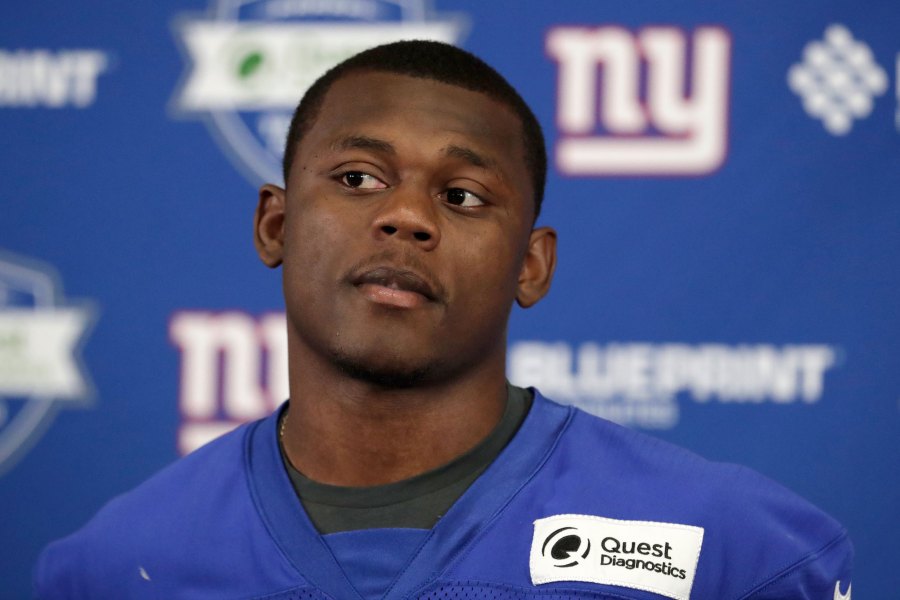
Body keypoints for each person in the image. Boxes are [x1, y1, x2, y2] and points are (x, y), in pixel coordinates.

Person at [34, 40, 852, 600]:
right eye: (358, 178)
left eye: (461, 197)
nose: (406, 219)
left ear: (531, 265)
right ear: (275, 226)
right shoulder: (112, 567)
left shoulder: (733, 551)